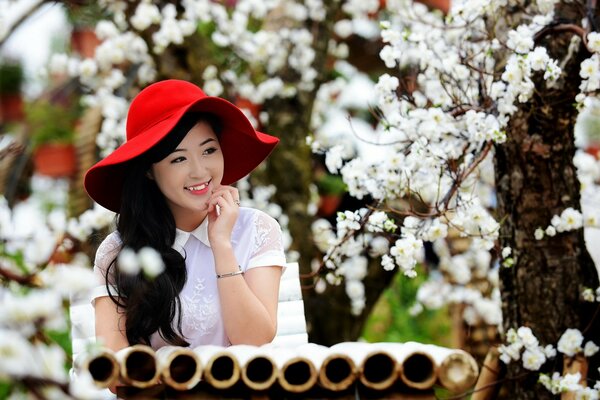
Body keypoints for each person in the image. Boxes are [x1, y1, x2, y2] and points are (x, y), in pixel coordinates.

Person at [84, 80, 286, 361]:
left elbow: (253, 339)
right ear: (149, 172)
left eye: (209, 150)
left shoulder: (257, 229)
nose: (199, 171)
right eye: (178, 159)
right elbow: (115, 369)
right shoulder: (119, 251)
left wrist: (221, 244)